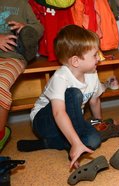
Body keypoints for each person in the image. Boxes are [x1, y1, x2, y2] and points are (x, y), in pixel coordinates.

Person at [17, 25, 106, 169]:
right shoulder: (60, 77)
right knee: (73, 93)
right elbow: (58, 112)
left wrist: (99, 122)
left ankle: (50, 143)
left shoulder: (92, 74)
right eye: (95, 55)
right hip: (44, 121)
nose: (99, 58)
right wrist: (76, 142)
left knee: (95, 140)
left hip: (70, 121)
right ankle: (73, 144)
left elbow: (94, 100)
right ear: (76, 61)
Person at [0, 0, 44, 152]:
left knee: (0, 86)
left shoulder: (22, 4)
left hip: (13, 57)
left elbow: (39, 28)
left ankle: (0, 134)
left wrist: (27, 29)